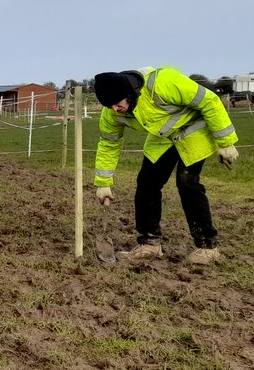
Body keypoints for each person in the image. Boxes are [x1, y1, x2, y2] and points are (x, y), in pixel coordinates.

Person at [92, 67, 239, 264]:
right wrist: (103, 182)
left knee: (187, 182)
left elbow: (210, 101)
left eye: (117, 104)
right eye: (109, 106)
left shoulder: (164, 82)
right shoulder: (111, 113)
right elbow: (109, 144)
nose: (114, 110)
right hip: (163, 138)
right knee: (146, 183)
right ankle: (149, 243)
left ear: (129, 94)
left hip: (194, 131)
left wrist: (226, 142)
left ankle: (207, 246)